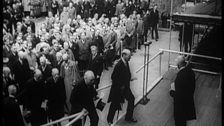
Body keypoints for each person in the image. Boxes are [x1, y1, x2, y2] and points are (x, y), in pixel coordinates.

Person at [107, 49, 137, 125]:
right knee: (114, 104)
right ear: (124, 55)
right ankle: (109, 120)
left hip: (125, 88)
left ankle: (128, 117)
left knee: (131, 99)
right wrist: (121, 85)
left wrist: (129, 78)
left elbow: (126, 74)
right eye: (129, 56)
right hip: (118, 89)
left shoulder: (126, 62)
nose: (130, 57)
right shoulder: (119, 65)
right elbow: (113, 77)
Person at [170, 55, 196, 126]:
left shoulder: (180, 75)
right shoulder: (191, 72)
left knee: (179, 123)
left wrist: (172, 91)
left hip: (180, 107)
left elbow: (177, 94)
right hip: (188, 103)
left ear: (178, 65)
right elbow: (192, 87)